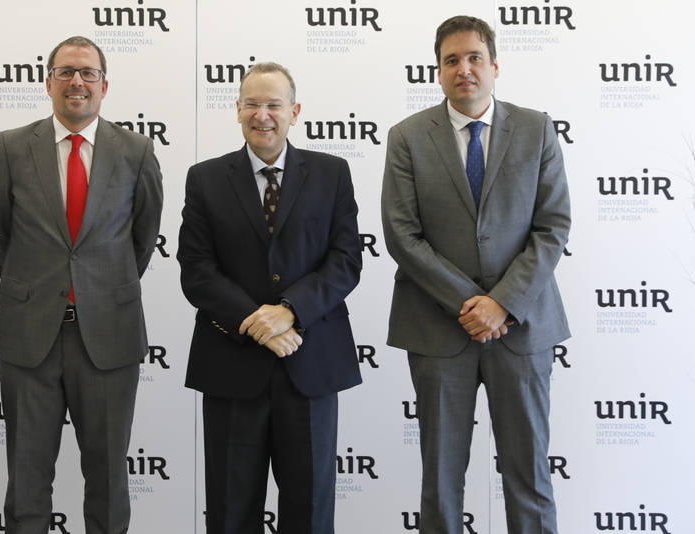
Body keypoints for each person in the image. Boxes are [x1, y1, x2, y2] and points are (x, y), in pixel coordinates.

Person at [381, 15, 571, 534]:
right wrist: (472, 303)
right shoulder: (407, 138)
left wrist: (502, 302)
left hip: (523, 328)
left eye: (473, 58)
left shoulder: (536, 128)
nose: (463, 69)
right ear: (438, 72)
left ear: (494, 66)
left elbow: (553, 225)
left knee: (528, 475)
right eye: (451, 61)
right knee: (440, 480)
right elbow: (401, 234)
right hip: (440, 330)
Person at [0, 36, 163, 534]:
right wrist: (38, 287)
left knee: (107, 477)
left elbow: (143, 237)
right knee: (27, 474)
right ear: (47, 82)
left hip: (108, 335)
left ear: (105, 85)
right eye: (65, 72)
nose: (76, 82)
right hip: (29, 335)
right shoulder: (12, 147)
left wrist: (99, 287)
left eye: (87, 73)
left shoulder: (136, 151)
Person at [178, 62, 362, 534]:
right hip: (232, 367)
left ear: (294, 111)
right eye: (252, 104)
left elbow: (345, 261)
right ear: (237, 110)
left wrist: (289, 313)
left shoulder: (332, 173)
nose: (263, 115)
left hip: (311, 364)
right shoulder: (205, 178)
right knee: (230, 509)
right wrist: (255, 321)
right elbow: (197, 271)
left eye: (274, 105)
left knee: (311, 512)